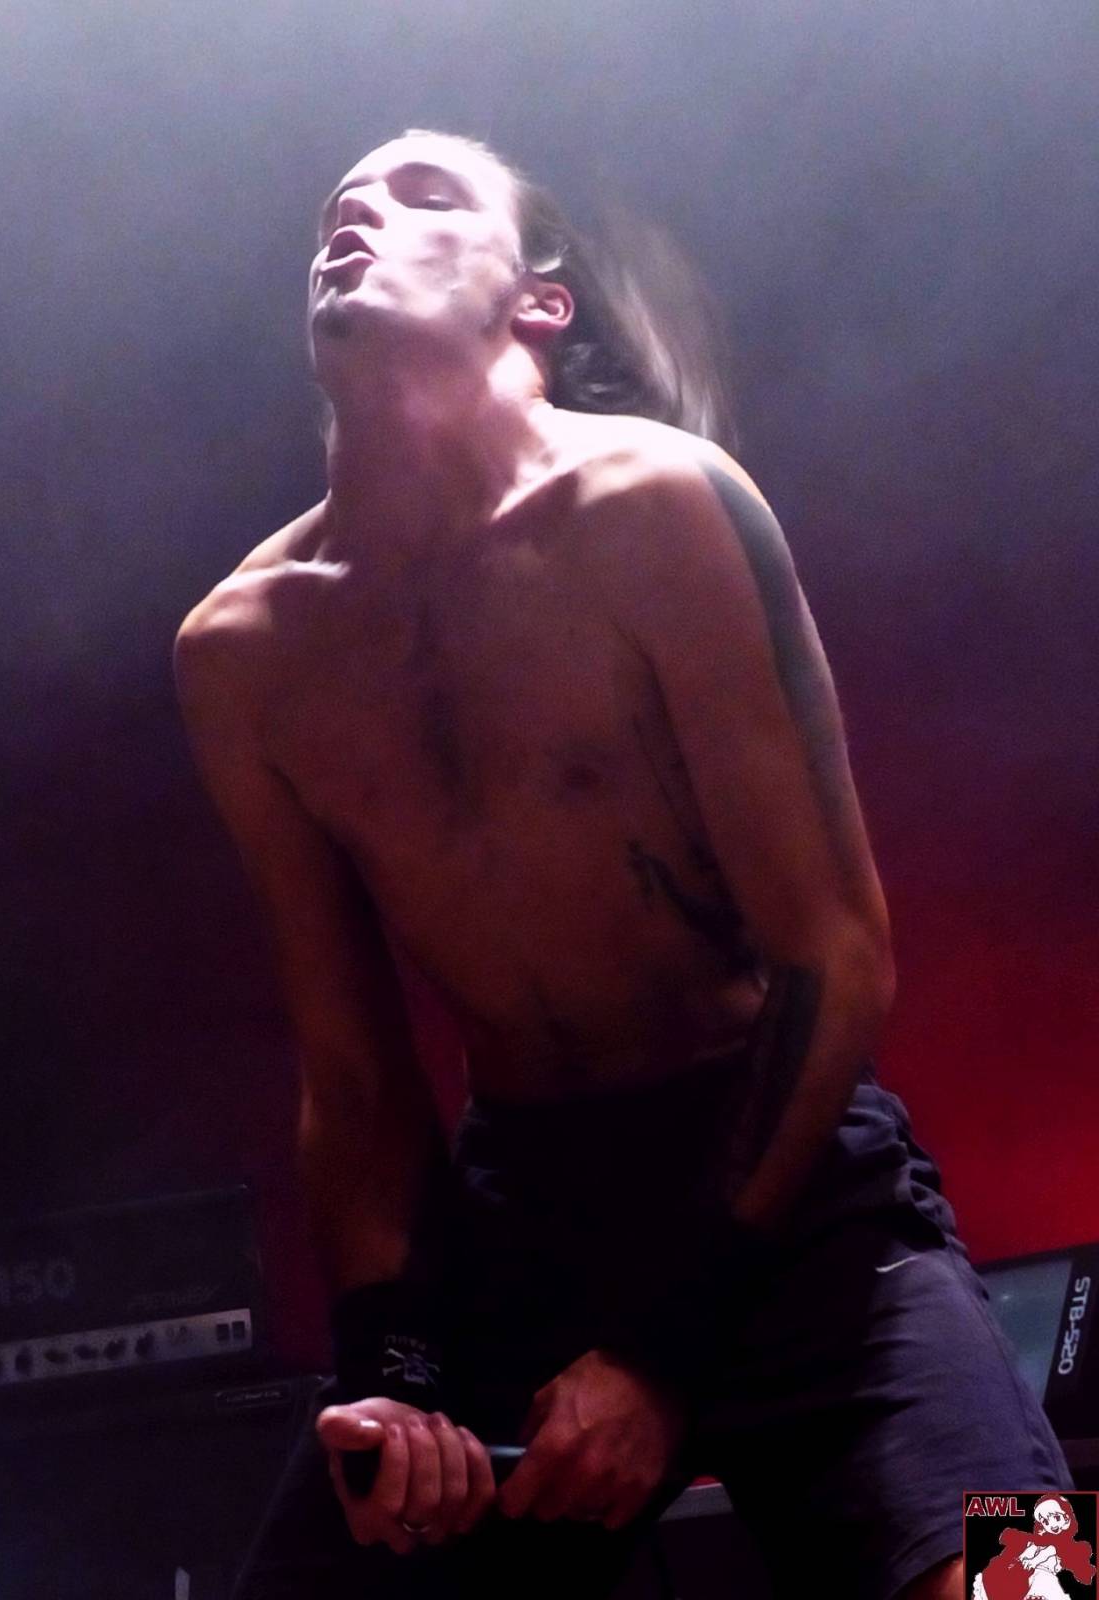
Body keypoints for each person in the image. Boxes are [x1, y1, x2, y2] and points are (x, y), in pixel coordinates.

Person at [174, 129, 1071, 1599]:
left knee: (1029, 1581)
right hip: (521, 1217)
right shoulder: (242, 651)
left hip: (788, 1186)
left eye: (422, 192)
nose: (356, 217)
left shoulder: (663, 505)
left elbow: (839, 958)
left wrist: (661, 1352)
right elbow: (353, 1071)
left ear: (540, 301)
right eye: (339, 205)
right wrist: (394, 1373)